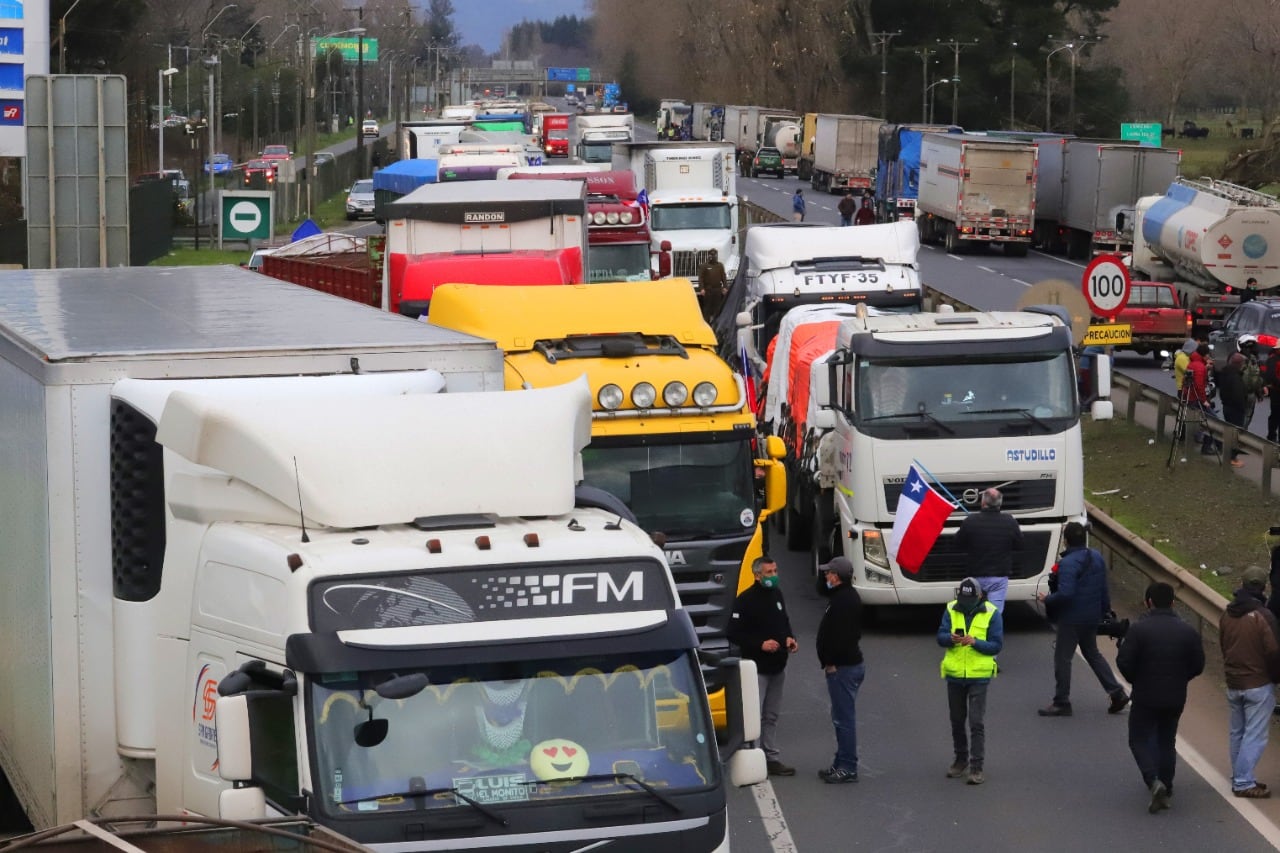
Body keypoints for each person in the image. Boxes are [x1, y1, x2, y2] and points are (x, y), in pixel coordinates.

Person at [1116, 581, 1206, 813]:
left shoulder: (1138, 630)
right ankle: (1167, 783)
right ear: (1173, 602)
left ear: (1149, 602)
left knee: (1138, 738)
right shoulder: (1188, 631)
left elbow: (1124, 662)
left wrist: (1135, 678)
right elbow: (1198, 665)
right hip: (1176, 694)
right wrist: (1181, 678)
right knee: (1167, 739)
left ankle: (1152, 780)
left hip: (1146, 693)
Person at [1036, 521, 1130, 716]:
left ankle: (1061, 701)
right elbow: (1104, 589)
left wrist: (1048, 600)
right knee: (1092, 653)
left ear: (1066, 540)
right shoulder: (1096, 557)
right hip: (1091, 616)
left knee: (1063, 658)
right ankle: (1117, 692)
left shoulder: (1068, 563)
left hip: (1072, 618)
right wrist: (1105, 612)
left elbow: (1066, 593)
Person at [726, 556, 799, 777]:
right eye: (769, 573)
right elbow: (734, 633)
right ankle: (753, 756)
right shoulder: (745, 600)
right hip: (756, 668)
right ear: (757, 575)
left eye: (775, 571)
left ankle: (771, 757)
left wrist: (789, 638)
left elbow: (784, 621)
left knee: (771, 715)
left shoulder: (777, 595)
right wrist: (760, 644)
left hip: (778, 665)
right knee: (753, 716)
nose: (774, 576)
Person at [1219, 564, 1280, 799]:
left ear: (1242, 584)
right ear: (1263, 586)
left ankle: (1240, 776)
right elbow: (1274, 651)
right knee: (1255, 735)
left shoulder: (1227, 613)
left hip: (1234, 682)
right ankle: (1244, 782)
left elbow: (1224, 644)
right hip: (1258, 683)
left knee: (1237, 732)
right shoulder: (1263, 616)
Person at [937, 576, 1003, 786]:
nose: (964, 605)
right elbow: (940, 637)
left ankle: (976, 767)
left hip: (979, 675)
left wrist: (975, 642)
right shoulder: (951, 609)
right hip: (955, 674)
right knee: (957, 720)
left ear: (979, 596)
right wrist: (951, 639)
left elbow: (996, 645)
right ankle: (960, 759)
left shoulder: (992, 613)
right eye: (962, 600)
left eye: (969, 600)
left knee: (976, 722)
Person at [815, 556, 865, 784]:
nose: (826, 576)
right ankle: (841, 762)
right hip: (843, 666)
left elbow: (842, 637)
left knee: (844, 719)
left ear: (838, 576)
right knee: (840, 717)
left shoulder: (844, 602)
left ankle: (847, 766)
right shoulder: (842, 596)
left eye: (829, 573)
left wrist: (831, 661)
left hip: (843, 668)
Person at [953, 487, 1022, 613]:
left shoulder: (970, 521)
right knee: (993, 613)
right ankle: (992, 631)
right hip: (999, 576)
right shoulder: (1010, 521)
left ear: (983, 502)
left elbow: (958, 544)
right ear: (1000, 504)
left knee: (973, 611)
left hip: (975, 576)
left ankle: (975, 632)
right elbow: (1019, 544)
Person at [1217, 351, 1248, 467]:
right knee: (1235, 434)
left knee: (1230, 432)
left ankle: (1229, 455)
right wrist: (1242, 407)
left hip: (1227, 405)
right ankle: (1232, 457)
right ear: (1238, 364)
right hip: (1235, 409)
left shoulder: (1225, 373)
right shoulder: (1235, 377)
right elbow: (1238, 395)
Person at [1239, 334, 1267, 431]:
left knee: (1238, 416)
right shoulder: (1254, 360)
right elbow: (1255, 379)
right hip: (1250, 393)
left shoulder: (1236, 357)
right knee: (1247, 415)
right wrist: (1259, 394)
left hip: (1238, 392)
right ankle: (1241, 434)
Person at [697, 249, 728, 325]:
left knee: (717, 308)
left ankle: (717, 324)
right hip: (708, 290)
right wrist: (702, 288)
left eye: (714, 255)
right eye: (711, 255)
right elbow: (700, 278)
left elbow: (723, 277)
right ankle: (706, 324)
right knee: (707, 308)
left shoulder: (720, 265)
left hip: (717, 289)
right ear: (709, 256)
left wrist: (725, 287)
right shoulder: (704, 266)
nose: (713, 257)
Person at [1265, 344, 1280, 443]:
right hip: (1276, 391)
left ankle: (1273, 436)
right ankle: (1271, 435)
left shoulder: (1272, 360)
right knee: (1275, 414)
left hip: (1276, 389)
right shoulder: (1272, 360)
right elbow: (1271, 376)